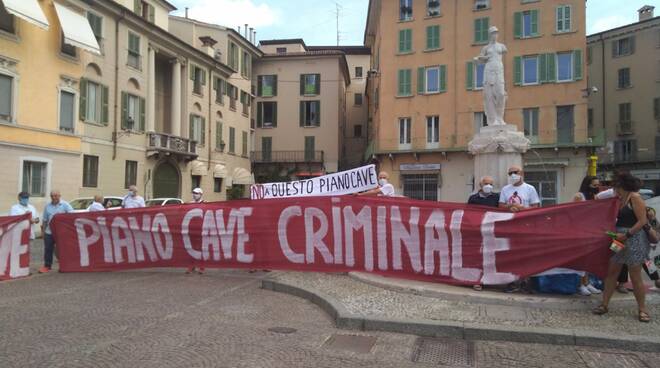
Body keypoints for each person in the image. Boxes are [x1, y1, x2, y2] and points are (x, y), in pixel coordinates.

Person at [592, 172, 651, 322]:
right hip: (619, 239)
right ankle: (604, 304)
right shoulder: (620, 199)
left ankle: (642, 310)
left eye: (616, 185)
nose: (614, 188)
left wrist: (626, 235)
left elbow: (642, 221)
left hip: (634, 239)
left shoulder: (635, 197)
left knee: (635, 275)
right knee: (612, 271)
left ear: (622, 186)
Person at [499, 165, 540, 293]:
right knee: (511, 253)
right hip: (510, 226)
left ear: (521, 173)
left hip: (526, 226)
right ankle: (512, 281)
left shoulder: (530, 188)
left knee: (526, 254)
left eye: (515, 172)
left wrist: (523, 209)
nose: (513, 175)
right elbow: (500, 205)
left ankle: (526, 281)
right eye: (510, 173)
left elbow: (536, 206)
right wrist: (509, 206)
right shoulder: (505, 189)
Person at [572, 176, 603, 296]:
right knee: (582, 259)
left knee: (590, 258)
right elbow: (575, 214)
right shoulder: (579, 196)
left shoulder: (594, 197)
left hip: (592, 230)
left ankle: (587, 282)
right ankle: (580, 284)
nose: (597, 187)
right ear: (587, 185)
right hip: (581, 231)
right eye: (594, 185)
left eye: (598, 185)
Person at [467, 176, 498, 291]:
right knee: (478, 257)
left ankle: (491, 279)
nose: (488, 186)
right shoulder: (473, 198)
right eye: (486, 183)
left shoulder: (496, 197)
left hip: (492, 231)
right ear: (480, 185)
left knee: (490, 256)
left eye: (490, 184)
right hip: (478, 231)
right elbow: (468, 214)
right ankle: (477, 280)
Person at [40, 190, 74, 273]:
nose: (54, 197)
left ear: (59, 196)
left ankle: (64, 266)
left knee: (62, 249)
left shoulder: (65, 205)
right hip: (49, 231)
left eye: (56, 195)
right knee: (48, 249)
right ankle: (47, 266)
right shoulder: (47, 206)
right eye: (52, 196)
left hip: (61, 232)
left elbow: (72, 216)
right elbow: (44, 220)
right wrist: (43, 232)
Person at [187, 188, 205, 274]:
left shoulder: (205, 203)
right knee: (191, 247)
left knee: (201, 248)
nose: (195, 195)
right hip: (191, 229)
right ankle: (191, 265)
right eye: (193, 193)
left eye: (197, 193)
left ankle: (201, 266)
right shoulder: (190, 204)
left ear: (201, 194)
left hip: (201, 229)